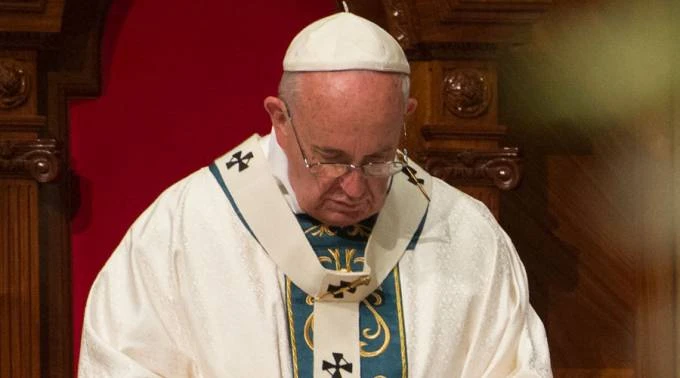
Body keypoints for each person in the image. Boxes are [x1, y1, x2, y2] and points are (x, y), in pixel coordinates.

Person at [78, 10, 552, 378]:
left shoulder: (464, 234)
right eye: (328, 157)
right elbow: (122, 361)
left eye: (377, 159)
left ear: (405, 116)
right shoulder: (184, 229)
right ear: (279, 120)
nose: (354, 186)